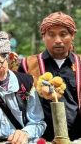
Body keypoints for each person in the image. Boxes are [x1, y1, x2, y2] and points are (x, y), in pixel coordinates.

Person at [18, 12, 81, 141]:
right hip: (40, 139)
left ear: (72, 36)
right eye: (51, 34)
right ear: (43, 36)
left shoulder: (80, 64)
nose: (58, 40)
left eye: (63, 34)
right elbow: (20, 104)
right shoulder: (28, 65)